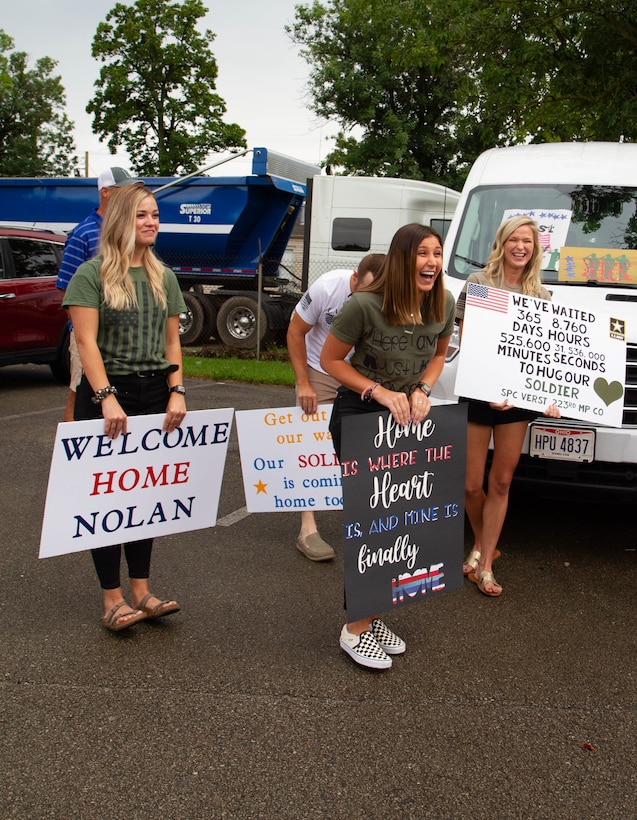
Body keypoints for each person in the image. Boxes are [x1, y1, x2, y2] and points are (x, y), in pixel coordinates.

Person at [320, 223, 455, 669]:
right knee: (374, 525)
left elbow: (438, 354)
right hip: (361, 417)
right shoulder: (363, 305)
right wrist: (377, 391)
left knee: (401, 526)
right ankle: (355, 628)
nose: (432, 262)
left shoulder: (443, 301)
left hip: (409, 420)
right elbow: (330, 360)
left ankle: (372, 614)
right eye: (422, 253)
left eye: (437, 253)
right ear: (402, 259)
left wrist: (422, 389)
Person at [63, 183, 187, 633]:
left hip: (155, 394)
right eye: (141, 215)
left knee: (143, 495)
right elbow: (86, 342)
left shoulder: (164, 276)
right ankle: (112, 600)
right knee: (106, 498)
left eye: (154, 214)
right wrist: (105, 397)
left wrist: (178, 390)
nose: (151, 222)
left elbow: (171, 341)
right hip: (105, 397)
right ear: (120, 221)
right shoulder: (91, 275)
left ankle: (142, 592)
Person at [455, 215, 560, 597]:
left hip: (519, 400)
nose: (520, 247)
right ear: (503, 242)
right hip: (481, 393)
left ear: (535, 249)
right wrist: (486, 389)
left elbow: (546, 359)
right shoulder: (479, 284)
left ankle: (484, 564)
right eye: (514, 239)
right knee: (470, 485)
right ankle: (485, 543)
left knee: (501, 481)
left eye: (528, 242)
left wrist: (551, 397)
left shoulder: (542, 296)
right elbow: (469, 343)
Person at [286, 254, 386, 561]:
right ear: (354, 278)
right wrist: (304, 382)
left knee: (366, 449)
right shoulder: (327, 287)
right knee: (313, 446)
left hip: (363, 375)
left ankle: (371, 523)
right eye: (365, 292)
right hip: (321, 369)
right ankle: (307, 529)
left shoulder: (389, 297)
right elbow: (295, 331)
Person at [56, 167, 143, 422]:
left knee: (119, 393)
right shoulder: (83, 234)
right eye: (123, 190)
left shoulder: (129, 232)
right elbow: (67, 287)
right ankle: (70, 454)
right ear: (105, 192)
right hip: (89, 333)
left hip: (123, 330)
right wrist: (84, 328)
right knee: (80, 391)